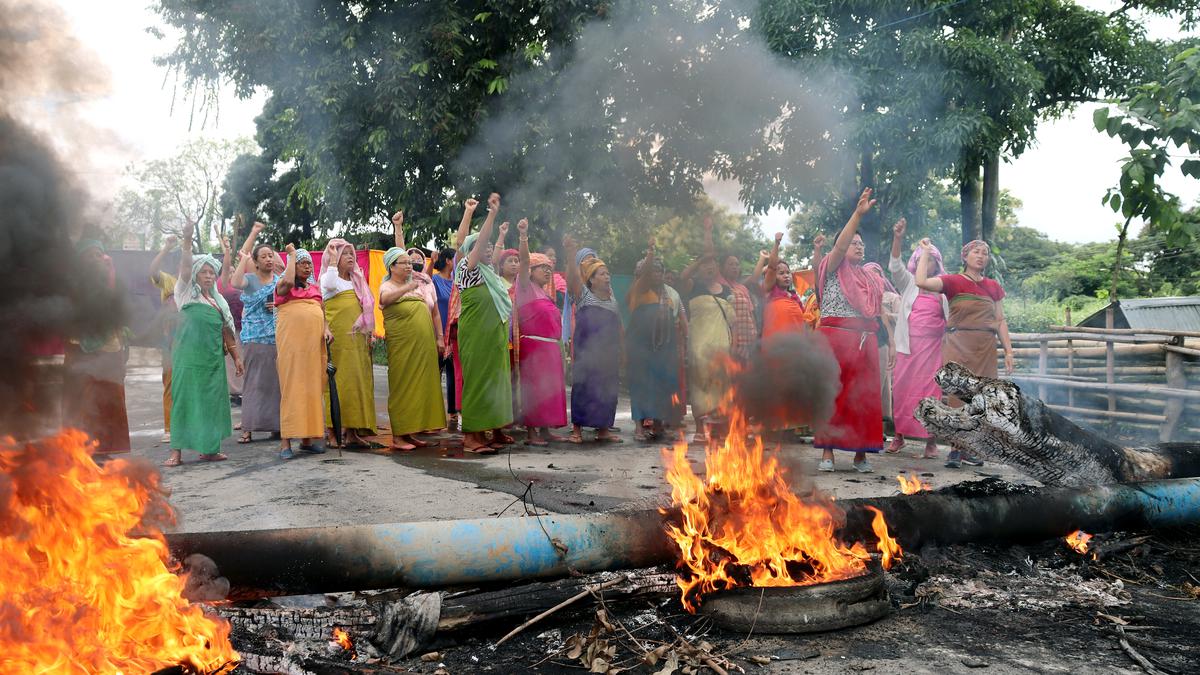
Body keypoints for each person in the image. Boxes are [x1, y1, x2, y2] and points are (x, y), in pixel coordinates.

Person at [916, 236, 1015, 468]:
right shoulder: (952, 281)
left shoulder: (993, 287)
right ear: (965, 257)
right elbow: (920, 281)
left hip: (985, 347)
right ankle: (955, 448)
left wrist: (1009, 351)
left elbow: (1000, 321)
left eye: (985, 253)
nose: (981, 256)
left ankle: (970, 449)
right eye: (976, 252)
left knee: (981, 399)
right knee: (957, 397)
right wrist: (926, 253)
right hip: (958, 344)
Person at [814, 188, 885, 473]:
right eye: (853, 242)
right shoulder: (831, 267)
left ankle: (860, 454)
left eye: (861, 243)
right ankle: (827, 454)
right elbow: (841, 247)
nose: (859, 246)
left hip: (864, 341)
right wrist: (858, 214)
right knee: (832, 395)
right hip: (834, 341)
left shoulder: (869, 277)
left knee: (864, 398)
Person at [165, 222, 243, 466]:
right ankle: (176, 453)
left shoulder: (218, 302)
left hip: (212, 361)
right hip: (188, 360)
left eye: (212, 272)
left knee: (212, 403)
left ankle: (210, 449)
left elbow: (226, 332)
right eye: (204, 272)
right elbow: (186, 266)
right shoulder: (185, 292)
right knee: (184, 402)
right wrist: (187, 240)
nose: (209, 276)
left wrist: (237, 357)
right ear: (196, 275)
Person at [380, 212, 446, 451]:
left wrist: (439, 338)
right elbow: (385, 299)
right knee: (403, 387)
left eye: (410, 262)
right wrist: (398, 228)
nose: (409, 264)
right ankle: (399, 436)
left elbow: (435, 312)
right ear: (392, 267)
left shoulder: (418, 283)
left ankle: (413, 432)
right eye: (404, 262)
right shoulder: (388, 284)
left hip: (423, 345)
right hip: (403, 347)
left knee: (421, 386)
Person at [457, 193, 514, 453]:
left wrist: (498, 236)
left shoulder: (490, 272)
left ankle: (493, 430)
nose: (489, 249)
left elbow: (486, 246)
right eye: (484, 247)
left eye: (491, 247)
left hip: (495, 336)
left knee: (496, 381)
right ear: (473, 251)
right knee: (479, 381)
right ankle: (471, 437)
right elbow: (466, 242)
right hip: (477, 335)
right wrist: (489, 214)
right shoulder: (468, 271)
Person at [886, 218, 948, 459]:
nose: (927, 262)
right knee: (901, 390)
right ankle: (899, 436)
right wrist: (898, 238)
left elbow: (949, 320)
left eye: (931, 258)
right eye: (923, 258)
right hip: (908, 348)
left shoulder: (944, 287)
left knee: (931, 394)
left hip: (932, 350)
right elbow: (894, 264)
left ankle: (930, 442)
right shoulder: (909, 282)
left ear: (937, 263)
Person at [65, 238, 131, 455]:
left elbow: (119, 313)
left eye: (98, 254)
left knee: (110, 398)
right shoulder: (72, 284)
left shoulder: (112, 280)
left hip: (110, 350)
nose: (95, 259)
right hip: (80, 350)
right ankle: (80, 449)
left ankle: (106, 448)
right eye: (89, 255)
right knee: (81, 400)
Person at [512, 219, 569, 445]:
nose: (547, 271)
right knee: (534, 389)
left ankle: (546, 429)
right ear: (531, 271)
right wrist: (523, 235)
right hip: (533, 347)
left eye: (549, 268)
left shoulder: (546, 293)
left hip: (550, 348)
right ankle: (532, 433)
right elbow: (523, 261)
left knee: (550, 389)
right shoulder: (524, 287)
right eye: (542, 267)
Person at [627, 237, 687, 441]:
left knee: (664, 383)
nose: (657, 274)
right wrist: (650, 252)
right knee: (641, 383)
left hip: (665, 347)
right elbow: (644, 274)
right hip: (641, 345)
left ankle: (660, 425)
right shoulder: (638, 289)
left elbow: (677, 321)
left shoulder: (668, 294)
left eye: (660, 271)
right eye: (652, 270)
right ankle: (639, 427)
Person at [564, 235, 623, 443]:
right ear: (591, 279)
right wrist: (571, 253)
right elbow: (572, 279)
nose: (607, 277)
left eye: (608, 273)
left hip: (608, 352)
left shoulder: (612, 297)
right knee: (584, 385)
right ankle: (577, 430)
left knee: (608, 387)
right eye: (602, 274)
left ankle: (603, 429)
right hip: (587, 351)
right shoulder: (584, 295)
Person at [230, 221, 285, 444]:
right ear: (256, 261)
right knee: (253, 382)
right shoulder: (250, 280)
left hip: (276, 337)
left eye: (271, 255)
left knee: (275, 383)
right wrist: (244, 258)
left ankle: (275, 426)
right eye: (263, 256)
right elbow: (234, 282)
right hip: (254, 338)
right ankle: (248, 428)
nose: (269, 259)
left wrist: (279, 304)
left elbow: (290, 302)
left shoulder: (280, 281)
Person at [320, 238, 377, 448]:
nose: (351, 257)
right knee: (337, 383)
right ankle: (333, 432)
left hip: (358, 340)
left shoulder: (357, 280)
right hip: (338, 339)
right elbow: (329, 284)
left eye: (352, 253)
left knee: (356, 382)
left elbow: (366, 309)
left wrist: (368, 335)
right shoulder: (329, 278)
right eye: (346, 253)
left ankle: (352, 432)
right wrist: (333, 258)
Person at [275, 245, 331, 459]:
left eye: (309, 263)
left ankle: (307, 440)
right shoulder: (283, 285)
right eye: (302, 263)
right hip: (292, 345)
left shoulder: (315, 288)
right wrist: (291, 255)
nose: (307, 266)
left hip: (313, 346)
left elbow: (323, 312)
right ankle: (285, 442)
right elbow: (288, 282)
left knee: (312, 388)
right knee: (291, 387)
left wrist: (326, 328)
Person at [678, 251, 733, 444]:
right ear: (699, 267)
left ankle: (719, 429)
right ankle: (701, 429)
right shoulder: (693, 286)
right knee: (700, 387)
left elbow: (732, 321)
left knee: (722, 389)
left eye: (712, 264)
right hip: (699, 347)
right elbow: (682, 277)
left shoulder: (727, 291)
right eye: (704, 265)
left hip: (722, 348)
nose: (709, 268)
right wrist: (699, 259)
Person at [445, 198, 480, 432]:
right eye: (477, 246)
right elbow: (461, 242)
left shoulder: (489, 272)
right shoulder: (465, 268)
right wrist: (468, 212)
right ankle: (465, 418)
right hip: (465, 327)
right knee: (463, 373)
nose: (483, 250)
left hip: (484, 329)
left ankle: (486, 420)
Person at [703, 216, 757, 361]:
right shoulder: (718, 283)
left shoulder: (742, 288)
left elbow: (750, 314)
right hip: (726, 338)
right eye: (730, 264)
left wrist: (755, 336)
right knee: (730, 375)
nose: (735, 267)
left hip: (747, 341)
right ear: (721, 267)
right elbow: (709, 256)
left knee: (746, 376)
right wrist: (708, 231)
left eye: (737, 264)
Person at [148, 236, 180, 444]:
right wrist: (166, 248)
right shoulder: (169, 281)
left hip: (192, 338)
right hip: (170, 338)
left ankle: (188, 425)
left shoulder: (198, 284)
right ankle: (169, 428)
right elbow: (152, 272)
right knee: (170, 381)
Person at [761, 231, 819, 340]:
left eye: (788, 272)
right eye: (781, 273)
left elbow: (805, 323)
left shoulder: (795, 298)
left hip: (796, 349)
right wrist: (776, 244)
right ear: (773, 276)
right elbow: (772, 267)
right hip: (775, 347)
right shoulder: (769, 290)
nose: (786, 276)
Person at [429, 242, 460, 430]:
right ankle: (431, 414)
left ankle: (453, 411)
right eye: (455, 258)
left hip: (453, 332)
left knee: (452, 372)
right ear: (449, 260)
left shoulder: (457, 280)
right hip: (437, 331)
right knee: (434, 372)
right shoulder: (434, 280)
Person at [218, 234, 245, 404]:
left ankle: (241, 391)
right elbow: (226, 264)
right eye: (230, 271)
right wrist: (226, 247)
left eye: (236, 271)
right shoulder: (221, 285)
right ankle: (234, 393)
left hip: (242, 327)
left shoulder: (241, 285)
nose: (232, 273)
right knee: (229, 360)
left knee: (241, 357)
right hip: (227, 328)